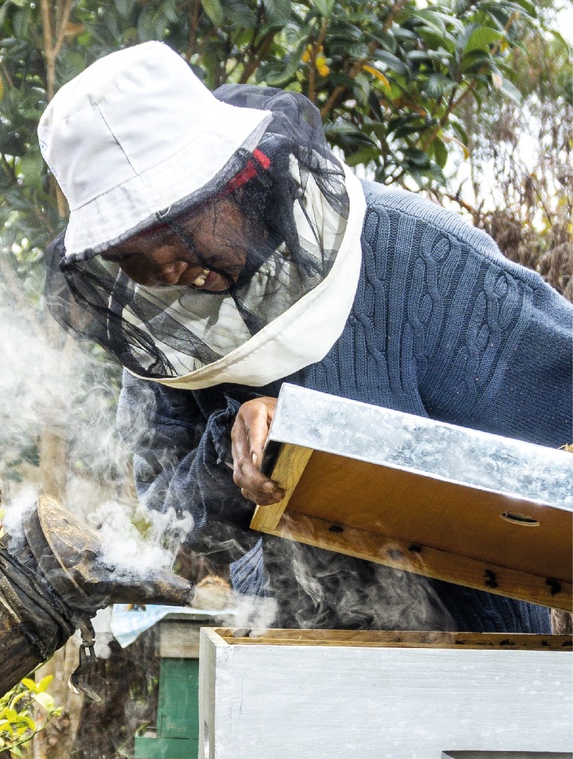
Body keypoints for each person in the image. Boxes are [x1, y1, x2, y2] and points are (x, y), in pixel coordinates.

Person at [37, 42, 573, 633]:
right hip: (281, 641)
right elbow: (168, 507)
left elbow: (557, 415)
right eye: (129, 254)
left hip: (482, 645)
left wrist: (318, 432)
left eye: (177, 229)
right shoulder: (158, 330)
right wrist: (235, 454)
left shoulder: (423, 257)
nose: (164, 268)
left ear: (242, 177)